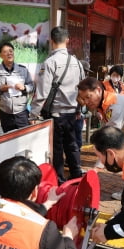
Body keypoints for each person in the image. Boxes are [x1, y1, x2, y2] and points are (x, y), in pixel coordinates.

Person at [31, 26, 86, 185]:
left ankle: (60, 180)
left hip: (56, 114)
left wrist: (33, 114)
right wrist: (79, 109)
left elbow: (42, 93)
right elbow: (82, 89)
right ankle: (76, 175)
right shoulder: (76, 62)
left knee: (57, 148)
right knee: (72, 144)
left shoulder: (49, 63)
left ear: (51, 41)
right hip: (73, 113)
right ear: (67, 40)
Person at [0, 42, 34, 133]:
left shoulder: (23, 70)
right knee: (9, 141)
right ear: (0, 55)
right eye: (5, 52)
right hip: (5, 114)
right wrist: (0, 89)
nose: (9, 53)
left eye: (11, 51)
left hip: (22, 113)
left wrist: (24, 88)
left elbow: (32, 86)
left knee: (24, 138)